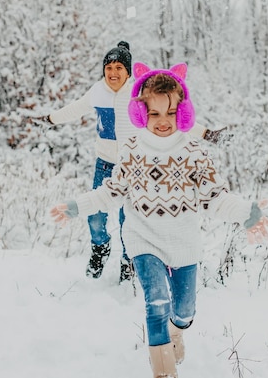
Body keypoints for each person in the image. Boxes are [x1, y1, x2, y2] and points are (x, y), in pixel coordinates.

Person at [49, 62, 268, 378]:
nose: (163, 121)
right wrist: (77, 206)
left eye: (170, 113)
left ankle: (177, 331)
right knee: (155, 302)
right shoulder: (131, 150)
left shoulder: (193, 151)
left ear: (183, 113)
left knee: (184, 311)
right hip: (143, 239)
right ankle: (163, 372)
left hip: (183, 243)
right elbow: (111, 192)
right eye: (154, 114)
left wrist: (246, 213)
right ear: (140, 114)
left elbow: (214, 197)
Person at [32, 42, 232, 284]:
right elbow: (73, 110)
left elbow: (173, 116)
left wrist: (208, 134)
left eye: (119, 68)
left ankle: (129, 261)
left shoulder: (138, 94)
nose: (113, 73)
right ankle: (100, 247)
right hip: (105, 164)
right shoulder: (97, 92)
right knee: (95, 214)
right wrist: (49, 120)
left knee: (130, 219)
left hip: (134, 166)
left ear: (128, 72)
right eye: (109, 67)